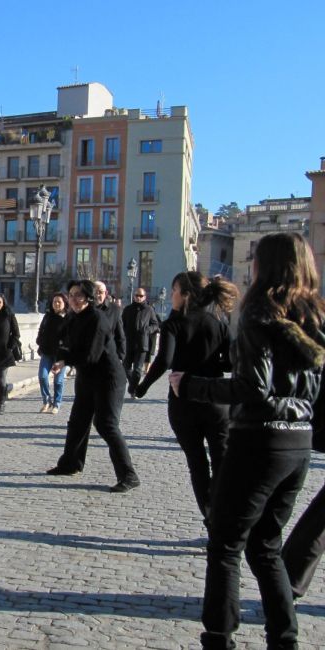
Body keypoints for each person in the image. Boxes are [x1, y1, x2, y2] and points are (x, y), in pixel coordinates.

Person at [169, 232, 325, 649]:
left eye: (256, 257)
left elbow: (253, 389)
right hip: (299, 443)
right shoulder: (313, 315)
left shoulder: (260, 311)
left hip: (259, 439)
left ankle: (218, 637)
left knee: (224, 545)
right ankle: (284, 638)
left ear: (267, 265)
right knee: (266, 546)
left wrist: (194, 386)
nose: (250, 263)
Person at [134, 272, 237, 524]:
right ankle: (224, 514)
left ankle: (210, 516)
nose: (171, 295)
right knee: (221, 460)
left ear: (187, 295)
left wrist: (142, 386)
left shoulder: (174, 324)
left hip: (184, 401)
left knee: (197, 462)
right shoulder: (218, 323)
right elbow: (234, 360)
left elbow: (164, 360)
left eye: (174, 290)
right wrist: (214, 363)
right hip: (216, 400)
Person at [45, 280, 140, 493]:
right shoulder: (73, 318)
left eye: (79, 295)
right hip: (87, 376)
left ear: (88, 297)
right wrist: (61, 356)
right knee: (78, 421)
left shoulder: (97, 319)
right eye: (71, 295)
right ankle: (70, 463)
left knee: (106, 424)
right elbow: (63, 343)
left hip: (108, 378)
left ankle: (129, 474)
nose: (74, 299)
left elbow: (91, 355)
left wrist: (65, 360)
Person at [121, 287, 160, 397]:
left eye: (141, 296)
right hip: (128, 343)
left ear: (145, 297)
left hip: (142, 344)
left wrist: (147, 330)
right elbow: (121, 324)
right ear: (134, 296)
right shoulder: (128, 309)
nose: (138, 297)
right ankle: (133, 387)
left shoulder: (149, 309)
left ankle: (132, 389)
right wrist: (123, 333)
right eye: (137, 295)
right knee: (126, 367)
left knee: (137, 370)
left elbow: (155, 324)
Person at [35, 292, 70, 414]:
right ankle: (46, 401)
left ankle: (57, 403)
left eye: (59, 302)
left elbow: (70, 337)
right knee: (42, 376)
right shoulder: (48, 316)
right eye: (54, 302)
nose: (56, 304)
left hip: (60, 355)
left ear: (64, 303)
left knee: (58, 381)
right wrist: (39, 340)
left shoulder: (68, 318)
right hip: (46, 352)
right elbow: (41, 329)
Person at [94, 281, 126, 362]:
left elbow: (120, 335)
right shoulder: (85, 308)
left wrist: (120, 356)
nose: (97, 295)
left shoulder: (114, 310)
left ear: (106, 293)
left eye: (100, 292)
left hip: (107, 355)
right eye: (94, 292)